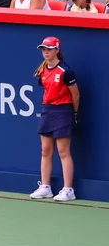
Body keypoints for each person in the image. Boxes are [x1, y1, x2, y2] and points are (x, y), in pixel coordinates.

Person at [30, 37, 80, 202]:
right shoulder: (43, 70)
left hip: (64, 110)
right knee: (45, 150)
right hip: (48, 111)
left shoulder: (66, 71)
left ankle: (68, 189)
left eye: (49, 49)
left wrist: (74, 113)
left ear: (57, 50)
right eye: (44, 49)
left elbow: (75, 94)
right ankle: (45, 187)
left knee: (63, 151)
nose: (46, 52)